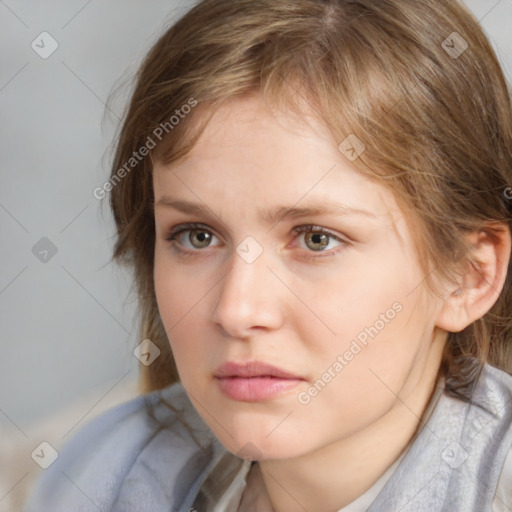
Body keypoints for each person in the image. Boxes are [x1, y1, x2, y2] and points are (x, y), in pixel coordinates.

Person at [24, 0, 512, 510]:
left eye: (317, 239)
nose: (236, 311)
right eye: (196, 235)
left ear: (469, 275)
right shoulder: (94, 473)